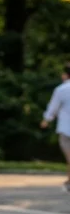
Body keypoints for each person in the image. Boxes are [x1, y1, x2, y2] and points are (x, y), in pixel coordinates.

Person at [40, 63, 70, 191]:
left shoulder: (62, 89)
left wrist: (46, 120)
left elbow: (53, 107)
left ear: (65, 75)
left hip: (66, 129)